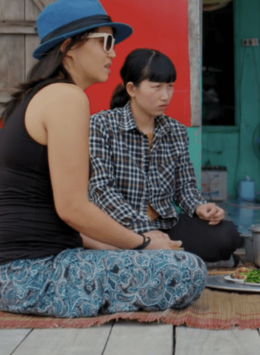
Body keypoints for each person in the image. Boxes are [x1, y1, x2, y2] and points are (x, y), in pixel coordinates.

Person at [0, 0, 207, 318]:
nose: (113, 52)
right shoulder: (66, 98)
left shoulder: (44, 96)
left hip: (22, 270)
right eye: (105, 41)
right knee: (189, 269)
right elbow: (73, 208)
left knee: (168, 257)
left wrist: (127, 245)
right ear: (69, 47)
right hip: (31, 276)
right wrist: (143, 243)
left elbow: (57, 215)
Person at [88, 49, 243, 264]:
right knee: (106, 241)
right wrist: (143, 231)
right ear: (132, 89)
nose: (165, 95)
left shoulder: (175, 131)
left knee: (227, 235)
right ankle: (147, 251)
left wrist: (200, 207)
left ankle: (150, 254)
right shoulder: (101, 125)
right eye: (156, 87)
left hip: (164, 226)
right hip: (117, 227)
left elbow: (184, 187)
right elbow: (101, 190)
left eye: (170, 86)